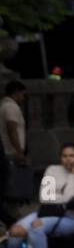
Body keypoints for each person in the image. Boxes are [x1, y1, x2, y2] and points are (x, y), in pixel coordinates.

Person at [1, 80, 28, 219]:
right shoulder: (11, 107)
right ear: (16, 93)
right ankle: (12, 214)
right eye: (22, 95)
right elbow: (12, 129)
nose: (23, 98)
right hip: (11, 153)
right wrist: (19, 151)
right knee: (13, 185)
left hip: (7, 152)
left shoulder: (3, 105)